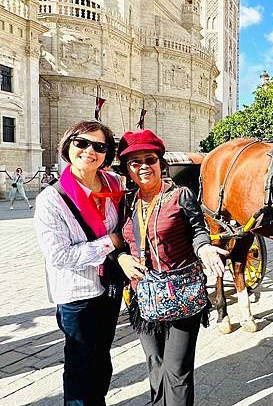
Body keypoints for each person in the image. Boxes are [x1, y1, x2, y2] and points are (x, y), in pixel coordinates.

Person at [116, 129, 227, 406]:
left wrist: (204, 248)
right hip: (143, 296)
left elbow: (198, 230)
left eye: (150, 159)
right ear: (128, 169)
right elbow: (118, 241)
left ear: (160, 163)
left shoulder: (180, 195)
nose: (144, 166)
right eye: (135, 162)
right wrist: (121, 258)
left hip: (181, 293)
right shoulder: (125, 201)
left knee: (176, 370)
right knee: (155, 364)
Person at [34, 120, 125, 406]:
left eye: (99, 146)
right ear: (68, 145)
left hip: (108, 288)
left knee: (102, 359)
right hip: (77, 295)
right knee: (80, 367)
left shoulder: (113, 184)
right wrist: (111, 242)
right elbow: (59, 256)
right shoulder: (52, 199)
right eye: (81, 143)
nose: (89, 151)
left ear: (107, 154)